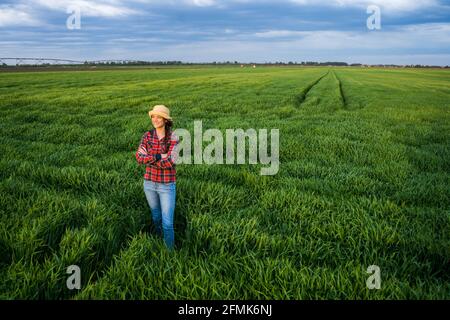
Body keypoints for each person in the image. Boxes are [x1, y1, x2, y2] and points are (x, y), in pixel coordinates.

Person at [136, 105, 179, 249]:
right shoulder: (147, 136)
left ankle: (169, 252)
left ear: (165, 120)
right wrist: (160, 155)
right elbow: (139, 157)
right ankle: (159, 242)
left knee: (167, 223)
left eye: (159, 116)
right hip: (149, 183)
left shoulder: (174, 137)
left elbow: (171, 161)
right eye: (153, 116)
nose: (155, 119)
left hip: (166, 185)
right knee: (156, 217)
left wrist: (150, 158)